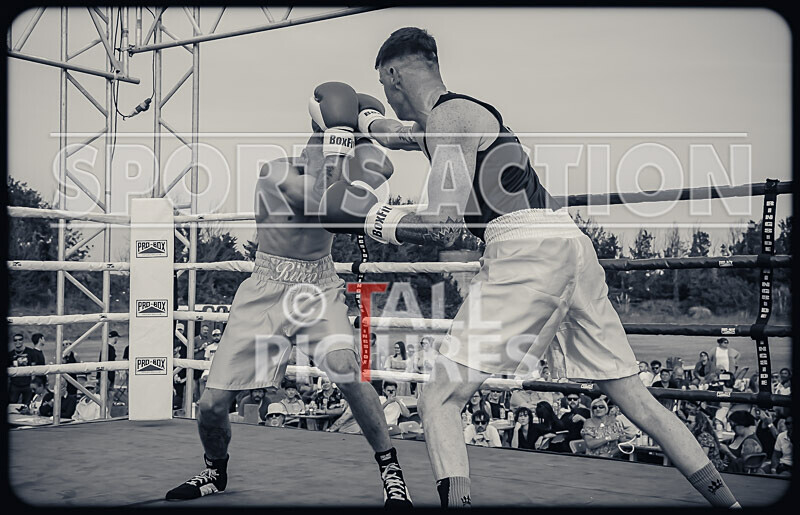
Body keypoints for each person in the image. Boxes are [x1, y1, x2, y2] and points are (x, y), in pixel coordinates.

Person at [323, 27, 741, 508]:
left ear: (392, 74)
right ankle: (729, 504)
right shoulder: (460, 115)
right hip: (569, 244)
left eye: (384, 87)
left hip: (523, 247)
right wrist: (364, 118)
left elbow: (443, 226)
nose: (389, 101)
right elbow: (401, 137)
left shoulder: (446, 121)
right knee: (634, 397)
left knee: (438, 397)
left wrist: (373, 219)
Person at [165, 90, 413, 506]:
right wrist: (345, 145)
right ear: (320, 132)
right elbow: (327, 207)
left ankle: (391, 470)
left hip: (319, 287)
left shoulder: (351, 172)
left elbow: (373, 175)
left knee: (347, 372)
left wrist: (363, 135)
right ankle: (214, 470)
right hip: (266, 288)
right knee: (212, 404)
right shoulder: (277, 172)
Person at [9, 333, 41, 404]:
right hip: (14, 384)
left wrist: (32, 382)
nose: (17, 342)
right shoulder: (10, 354)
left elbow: (34, 368)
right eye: (15, 340)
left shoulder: (31, 352)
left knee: (27, 405)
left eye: (20, 339)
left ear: (23, 341)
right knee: (12, 404)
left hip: (27, 383)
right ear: (13, 342)